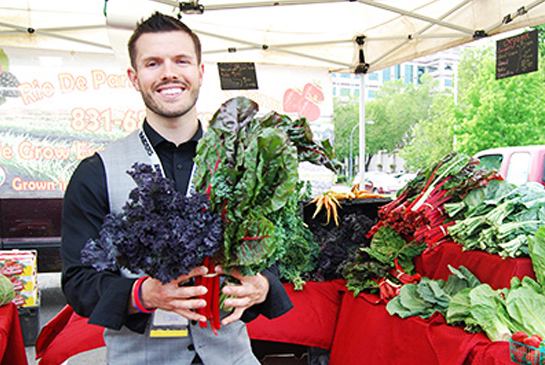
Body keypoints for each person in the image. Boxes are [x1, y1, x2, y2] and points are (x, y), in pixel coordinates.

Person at [60, 12, 293, 365]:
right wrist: (144, 294)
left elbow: (273, 257)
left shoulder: (243, 163)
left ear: (199, 72)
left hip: (231, 357)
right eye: (153, 63)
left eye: (181, 61)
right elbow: (78, 280)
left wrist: (262, 286)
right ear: (134, 77)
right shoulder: (96, 172)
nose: (169, 73)